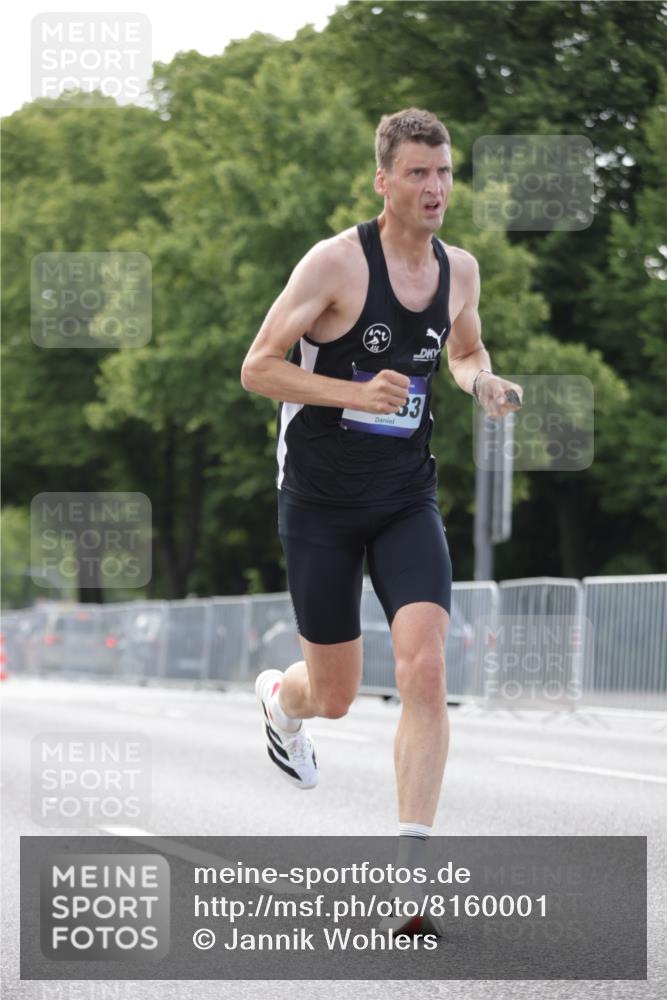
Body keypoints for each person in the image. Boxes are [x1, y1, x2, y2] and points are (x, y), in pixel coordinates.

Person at [241, 108, 522, 935]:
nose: (434, 188)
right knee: (331, 695)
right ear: (383, 181)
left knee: (425, 667)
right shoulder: (334, 264)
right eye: (417, 174)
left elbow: (465, 351)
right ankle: (278, 700)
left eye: (443, 173)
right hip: (320, 504)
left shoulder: (459, 271)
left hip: (405, 496)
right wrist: (351, 393)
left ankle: (411, 881)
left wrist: (482, 384)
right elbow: (258, 369)